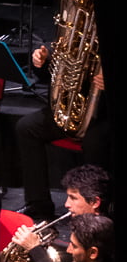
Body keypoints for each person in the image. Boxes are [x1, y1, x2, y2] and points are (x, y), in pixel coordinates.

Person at [15, 40, 108, 223]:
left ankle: (97, 210)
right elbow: (58, 54)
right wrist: (43, 60)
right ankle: (39, 205)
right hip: (72, 106)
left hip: (104, 114)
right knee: (27, 127)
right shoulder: (79, 22)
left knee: (94, 142)